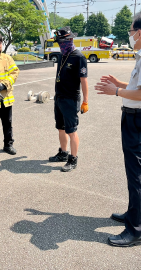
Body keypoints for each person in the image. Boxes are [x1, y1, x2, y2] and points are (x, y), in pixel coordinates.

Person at [95, 12, 141, 247]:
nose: (129, 35)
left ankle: (135, 231)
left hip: (139, 120)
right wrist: (121, 84)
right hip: (139, 119)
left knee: (136, 175)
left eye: (130, 30)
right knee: (138, 172)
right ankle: (134, 213)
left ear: (139, 32)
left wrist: (115, 92)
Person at [48, 26, 89, 172]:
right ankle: (63, 153)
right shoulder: (62, 55)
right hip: (59, 97)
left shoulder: (78, 57)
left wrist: (85, 101)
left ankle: (73, 159)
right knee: (61, 128)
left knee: (71, 130)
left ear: (70, 39)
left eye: (63, 41)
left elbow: (84, 80)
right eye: (59, 42)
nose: (61, 44)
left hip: (71, 99)